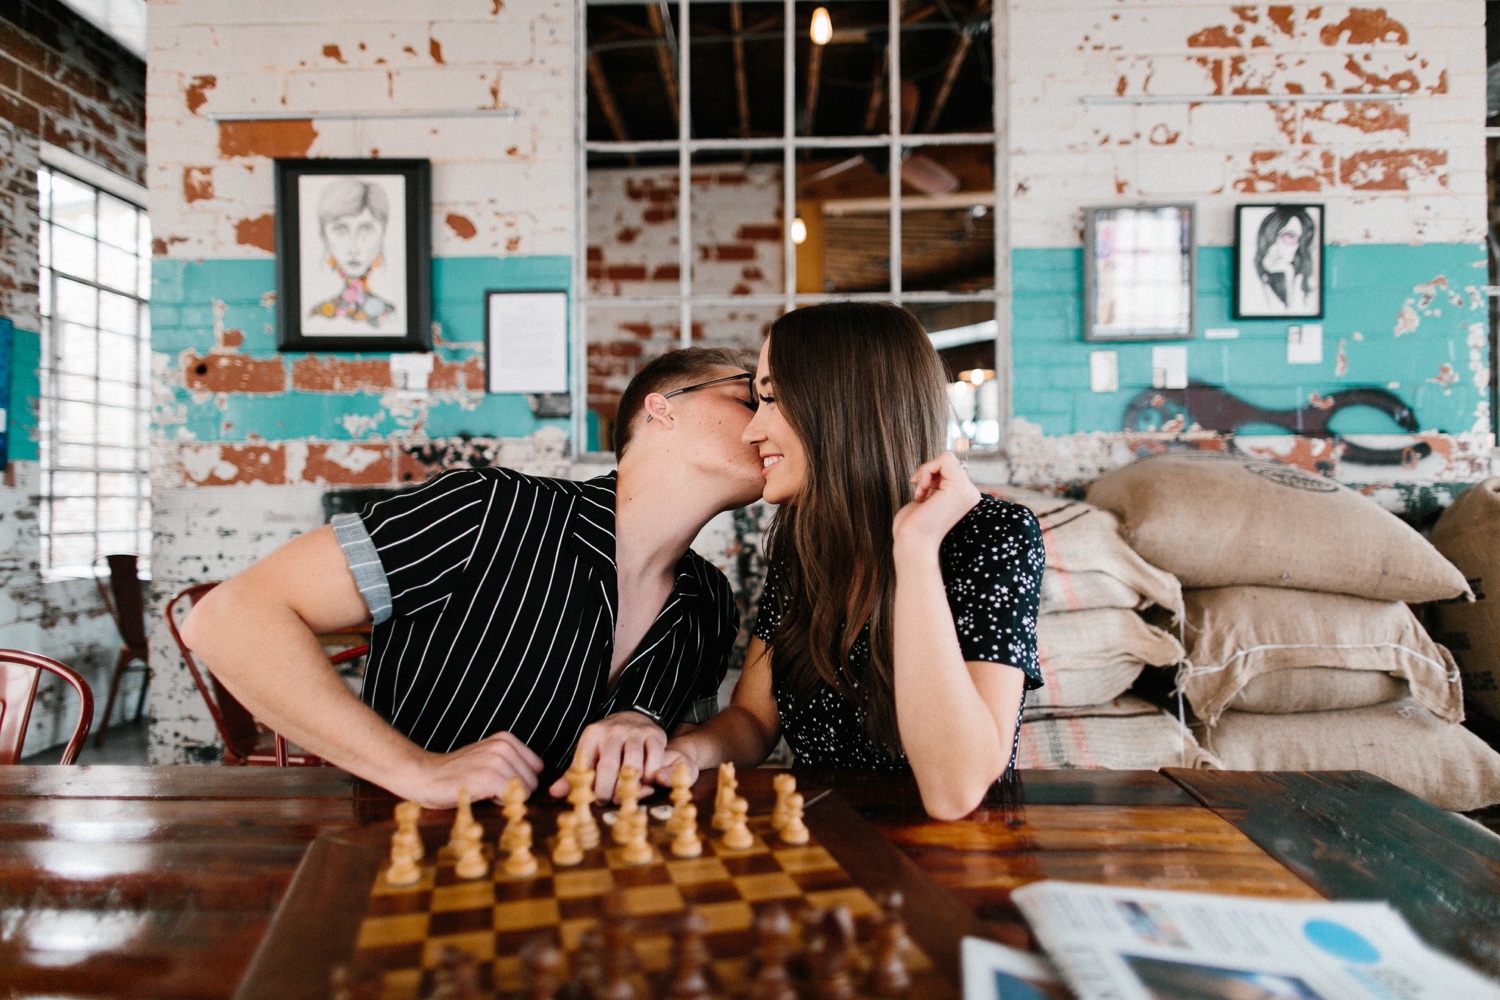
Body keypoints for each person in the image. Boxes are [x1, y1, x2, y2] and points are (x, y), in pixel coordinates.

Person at [182, 347, 766, 808]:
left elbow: (684, 747)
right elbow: (227, 618)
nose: (769, 424)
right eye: (749, 399)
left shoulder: (711, 602)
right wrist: (418, 771)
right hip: (398, 863)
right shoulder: (489, 509)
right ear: (661, 408)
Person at [650, 302, 1045, 820]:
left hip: (956, 861)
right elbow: (752, 718)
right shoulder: (803, 541)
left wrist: (916, 550)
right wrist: (684, 752)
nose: (751, 431)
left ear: (840, 407)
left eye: (771, 400)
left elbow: (956, 791)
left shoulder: (993, 535)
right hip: (825, 846)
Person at [309, 179, 396, 326]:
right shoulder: (316, 318)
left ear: (383, 233)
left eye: (366, 229)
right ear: (323, 234)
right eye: (340, 229)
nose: (353, 248)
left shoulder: (394, 317)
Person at [1243, 206, 1318, 316]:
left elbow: (1292, 312)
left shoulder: (1300, 280)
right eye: (1290, 236)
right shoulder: (1249, 280)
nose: (1275, 247)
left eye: (1291, 237)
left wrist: (1288, 273)